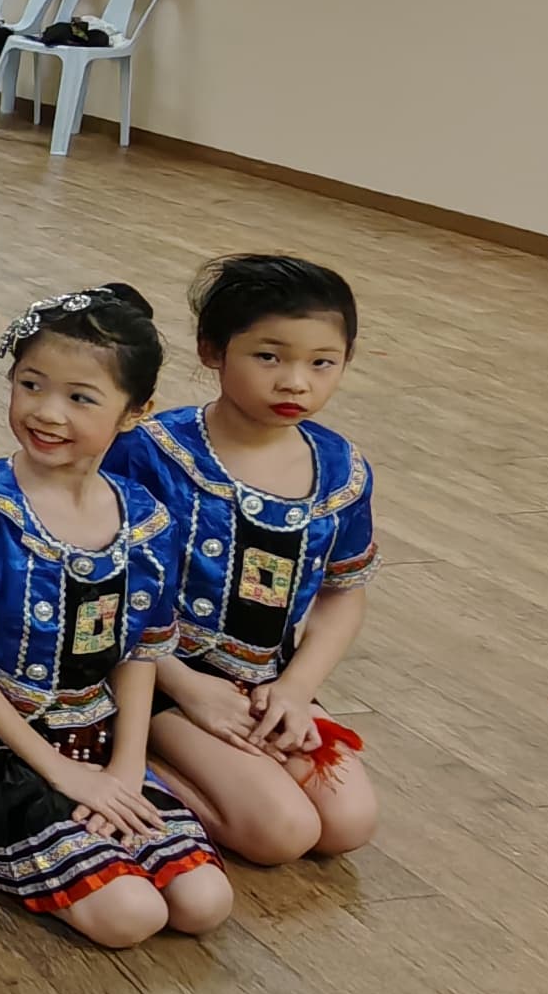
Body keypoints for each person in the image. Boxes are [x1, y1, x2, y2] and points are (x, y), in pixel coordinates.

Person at [0, 286, 233, 948]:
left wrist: (124, 766)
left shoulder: (146, 516)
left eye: (80, 397)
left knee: (204, 900)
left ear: (135, 413)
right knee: (131, 916)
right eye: (30, 384)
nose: (46, 412)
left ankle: (126, 804)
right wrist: (56, 768)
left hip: (95, 738)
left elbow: (141, 650)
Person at [111, 255, 382, 865]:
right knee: (279, 832)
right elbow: (108, 587)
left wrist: (296, 687)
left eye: (322, 363)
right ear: (212, 350)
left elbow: (344, 592)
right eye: (269, 356)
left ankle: (244, 757)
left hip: (267, 683)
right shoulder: (147, 453)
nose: (295, 382)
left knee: (348, 822)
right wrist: (189, 688)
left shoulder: (342, 470)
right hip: (154, 676)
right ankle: (130, 762)